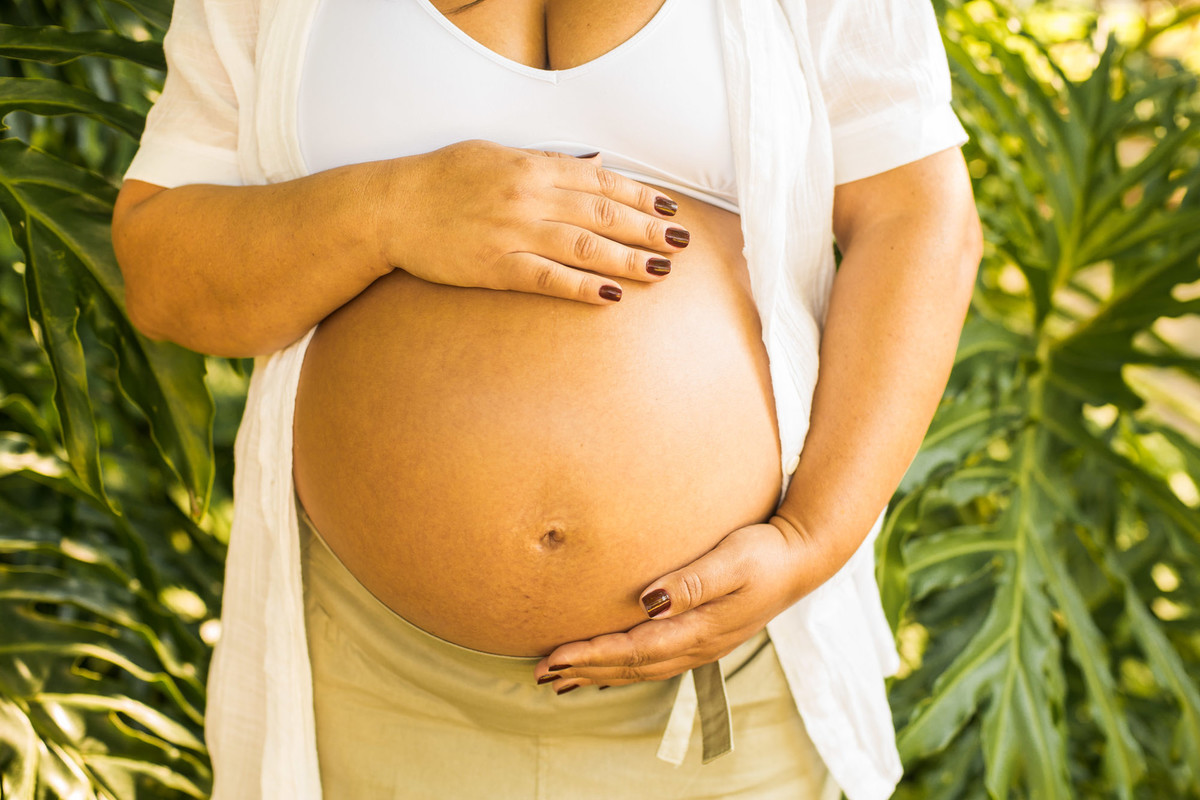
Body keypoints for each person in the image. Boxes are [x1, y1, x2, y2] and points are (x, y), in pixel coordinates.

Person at [110, 0, 983, 797]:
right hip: (374, 681)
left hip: (719, 680)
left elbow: (917, 212)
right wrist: (389, 210)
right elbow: (161, 267)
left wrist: (811, 539)